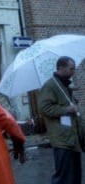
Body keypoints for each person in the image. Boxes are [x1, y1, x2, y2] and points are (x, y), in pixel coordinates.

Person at [39, 56, 83, 184]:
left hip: (72, 138)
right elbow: (45, 108)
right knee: (64, 177)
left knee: (75, 176)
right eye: (71, 69)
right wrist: (67, 109)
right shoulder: (50, 85)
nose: (73, 72)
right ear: (61, 68)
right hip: (62, 139)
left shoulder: (64, 85)